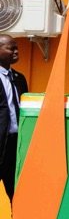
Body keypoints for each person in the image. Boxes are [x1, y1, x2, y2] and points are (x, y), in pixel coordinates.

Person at [0, 34, 27, 204]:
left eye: (17, 48)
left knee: (18, 194)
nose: (16, 52)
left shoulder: (19, 78)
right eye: (11, 48)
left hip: (15, 146)